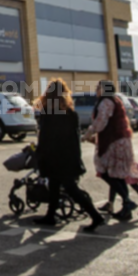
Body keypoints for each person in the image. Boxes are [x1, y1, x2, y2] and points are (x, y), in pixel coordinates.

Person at [34, 78, 104, 232]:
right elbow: (74, 136)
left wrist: (39, 154)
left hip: (55, 157)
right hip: (69, 156)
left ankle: (95, 216)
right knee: (55, 186)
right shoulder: (70, 112)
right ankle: (50, 216)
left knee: (71, 189)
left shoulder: (49, 111)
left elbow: (45, 136)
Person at [84, 80, 137, 221]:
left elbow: (100, 123)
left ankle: (127, 201)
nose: (97, 90)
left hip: (114, 143)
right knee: (118, 176)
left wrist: (88, 133)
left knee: (107, 173)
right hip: (120, 140)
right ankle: (126, 209)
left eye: (99, 87)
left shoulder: (106, 102)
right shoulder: (115, 100)